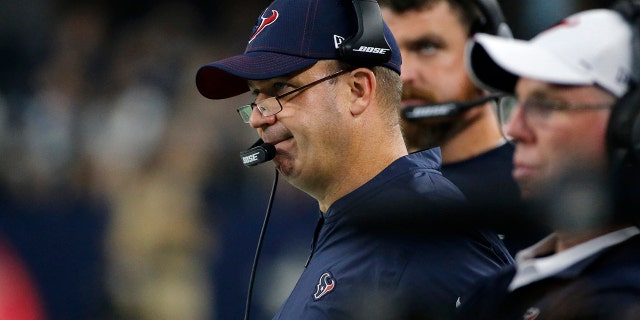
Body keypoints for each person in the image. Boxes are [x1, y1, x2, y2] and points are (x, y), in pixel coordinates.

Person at [195, 0, 513, 318]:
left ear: (358, 90)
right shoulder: (357, 221)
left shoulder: (428, 231)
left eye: (282, 87)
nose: (258, 119)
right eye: (256, 96)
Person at [456, 6, 640, 319]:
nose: (514, 129)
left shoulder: (621, 303)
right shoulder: (497, 289)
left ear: (631, 127)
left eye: (546, 104)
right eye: (518, 101)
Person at [378, 0, 547, 254]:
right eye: (389, 53)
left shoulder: (539, 189)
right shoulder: (368, 193)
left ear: (488, 58)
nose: (404, 74)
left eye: (427, 47)